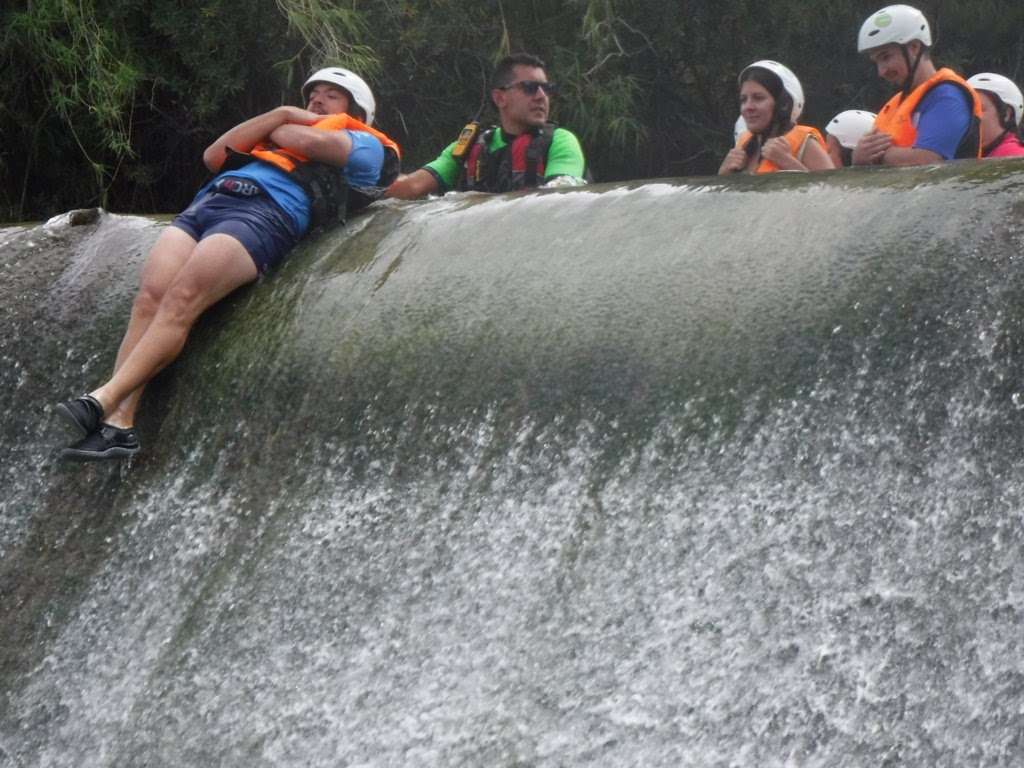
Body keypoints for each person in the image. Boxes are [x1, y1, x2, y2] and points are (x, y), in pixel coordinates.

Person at [55, 67, 401, 461]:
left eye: (331, 96)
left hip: (266, 214)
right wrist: (279, 113)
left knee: (182, 298)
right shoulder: (283, 121)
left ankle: (103, 399)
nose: (317, 100)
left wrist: (283, 124)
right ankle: (119, 425)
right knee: (150, 298)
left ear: (355, 112)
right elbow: (214, 156)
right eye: (313, 94)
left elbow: (299, 138)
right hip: (211, 204)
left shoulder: (367, 145)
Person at [386, 52, 586, 198]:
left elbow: (561, 199)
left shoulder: (559, 141)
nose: (541, 97)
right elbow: (411, 187)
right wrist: (362, 185)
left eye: (546, 88)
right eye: (530, 88)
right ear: (500, 98)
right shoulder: (468, 146)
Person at [852, 4, 981, 166]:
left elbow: (928, 159)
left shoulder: (948, 95)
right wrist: (859, 158)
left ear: (914, 47)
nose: (881, 71)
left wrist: (875, 156)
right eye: (876, 62)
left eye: (885, 57)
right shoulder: (897, 103)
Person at [719, 60, 834, 175]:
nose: (747, 107)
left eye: (758, 98)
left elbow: (834, 190)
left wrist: (787, 162)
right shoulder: (743, 145)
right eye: (743, 100)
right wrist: (724, 174)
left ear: (783, 104)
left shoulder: (805, 143)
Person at [966, 73, 1024, 158]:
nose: (970, 116)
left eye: (980, 109)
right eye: (965, 110)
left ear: (1006, 114)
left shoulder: (1012, 153)